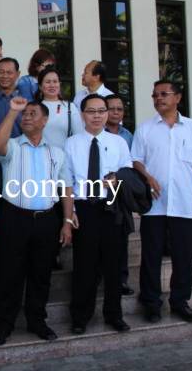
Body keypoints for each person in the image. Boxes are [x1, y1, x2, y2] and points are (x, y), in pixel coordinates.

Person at [0, 97, 74, 345]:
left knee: (41, 274)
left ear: (45, 120)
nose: (26, 117)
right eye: (23, 114)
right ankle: (3, 325)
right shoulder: (13, 146)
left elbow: (66, 188)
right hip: (14, 218)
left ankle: (37, 321)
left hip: (47, 220)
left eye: (31, 113)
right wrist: (12, 112)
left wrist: (67, 221)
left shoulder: (56, 153)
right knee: (9, 274)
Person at [132, 80, 192, 324]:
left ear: (178, 97)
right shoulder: (145, 128)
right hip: (154, 205)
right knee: (151, 256)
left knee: (183, 257)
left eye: (164, 94)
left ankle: (180, 302)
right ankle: (151, 303)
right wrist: (147, 177)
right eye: (155, 95)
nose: (158, 98)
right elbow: (135, 160)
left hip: (184, 203)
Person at [64, 94, 132, 335]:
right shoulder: (71, 143)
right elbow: (66, 180)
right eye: (91, 111)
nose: (97, 115)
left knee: (113, 266)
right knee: (85, 267)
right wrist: (70, 212)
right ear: (83, 115)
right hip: (84, 209)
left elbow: (128, 176)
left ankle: (114, 315)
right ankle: (80, 316)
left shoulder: (118, 143)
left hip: (110, 207)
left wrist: (116, 182)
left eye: (101, 111)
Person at [104, 94, 135, 296]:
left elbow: (131, 166)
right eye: (112, 108)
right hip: (99, 191)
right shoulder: (95, 132)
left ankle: (121, 280)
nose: (116, 112)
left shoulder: (128, 136)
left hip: (120, 193)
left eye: (120, 109)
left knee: (121, 240)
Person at [34, 66, 83, 149]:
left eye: (55, 81)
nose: (52, 85)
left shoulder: (70, 107)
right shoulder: (34, 108)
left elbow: (79, 137)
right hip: (40, 157)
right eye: (48, 82)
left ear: (59, 84)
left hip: (65, 158)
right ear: (40, 86)